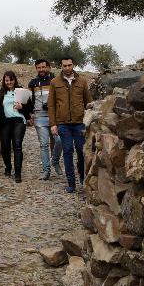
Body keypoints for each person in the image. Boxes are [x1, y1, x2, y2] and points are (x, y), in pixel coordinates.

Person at [48, 56, 91, 193]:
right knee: (67, 151)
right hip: (63, 124)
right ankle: (71, 183)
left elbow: (88, 103)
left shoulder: (83, 81)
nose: (67, 68)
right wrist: (53, 124)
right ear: (61, 66)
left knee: (81, 151)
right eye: (64, 65)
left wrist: (89, 122)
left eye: (69, 65)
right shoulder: (54, 82)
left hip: (79, 123)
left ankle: (83, 179)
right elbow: (51, 105)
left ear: (73, 65)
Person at [0, 70, 32, 182]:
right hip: (5, 122)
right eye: (7, 80)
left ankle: (18, 173)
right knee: (5, 147)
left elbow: (30, 107)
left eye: (11, 80)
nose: (9, 82)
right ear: (4, 81)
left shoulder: (21, 91)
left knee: (17, 145)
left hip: (19, 120)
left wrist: (22, 107)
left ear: (14, 80)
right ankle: (8, 167)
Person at [26, 59, 61, 180]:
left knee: (59, 141)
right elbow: (29, 101)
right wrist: (29, 115)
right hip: (39, 116)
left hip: (54, 116)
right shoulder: (33, 83)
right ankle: (46, 171)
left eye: (43, 67)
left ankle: (55, 161)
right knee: (44, 144)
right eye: (39, 68)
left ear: (49, 67)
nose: (41, 70)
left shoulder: (56, 81)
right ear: (36, 69)